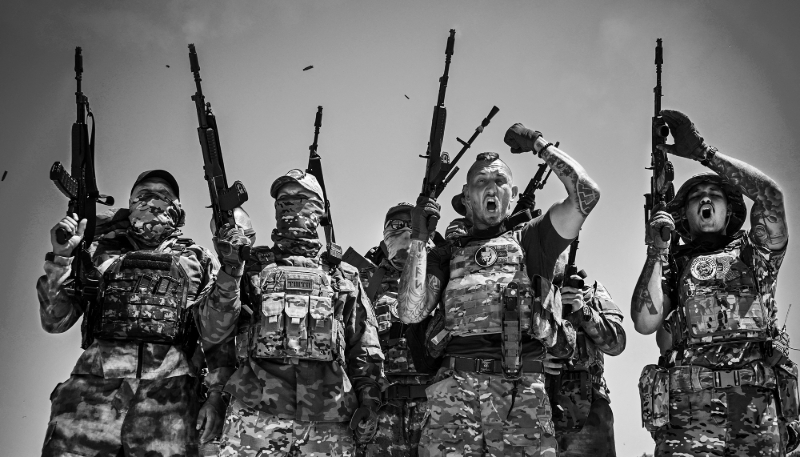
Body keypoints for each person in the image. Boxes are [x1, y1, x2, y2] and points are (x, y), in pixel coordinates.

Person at [398, 121, 601, 456]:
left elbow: (587, 194)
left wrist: (539, 145)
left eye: (499, 180)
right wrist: (419, 241)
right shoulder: (445, 254)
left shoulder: (534, 239)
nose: (490, 187)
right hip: (453, 395)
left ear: (513, 194)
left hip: (519, 394)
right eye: (481, 181)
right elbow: (410, 310)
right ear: (466, 198)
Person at [38, 170, 247, 457]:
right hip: (91, 396)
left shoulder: (198, 259)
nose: (153, 202)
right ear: (130, 203)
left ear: (178, 209)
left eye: (164, 196)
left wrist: (216, 397)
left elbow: (217, 337)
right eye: (143, 195)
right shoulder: (97, 250)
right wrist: (62, 258)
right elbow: (54, 320)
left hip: (170, 400)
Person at [632, 110, 799, 456]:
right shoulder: (672, 263)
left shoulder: (756, 253)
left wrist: (703, 153)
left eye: (715, 194)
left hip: (756, 411)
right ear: (685, 216)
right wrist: (656, 252)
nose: (705, 199)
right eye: (696, 197)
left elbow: (771, 197)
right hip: (689, 414)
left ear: (730, 210)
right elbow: (645, 323)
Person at [216, 169, 386, 457]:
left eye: (300, 198)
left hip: (328, 421)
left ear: (319, 209)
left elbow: (364, 348)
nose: (289, 206)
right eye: (282, 200)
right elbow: (215, 331)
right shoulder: (251, 268)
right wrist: (230, 270)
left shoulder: (345, 275)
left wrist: (369, 401)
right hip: (255, 418)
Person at [351, 202, 432, 457]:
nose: (406, 231)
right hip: (381, 409)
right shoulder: (361, 280)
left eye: (413, 224)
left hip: (432, 408)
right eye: (397, 225)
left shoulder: (439, 280)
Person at [547, 252, 625, 457]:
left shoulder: (592, 294)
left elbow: (617, 344)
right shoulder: (529, 295)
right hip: (536, 404)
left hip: (589, 409)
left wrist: (585, 312)